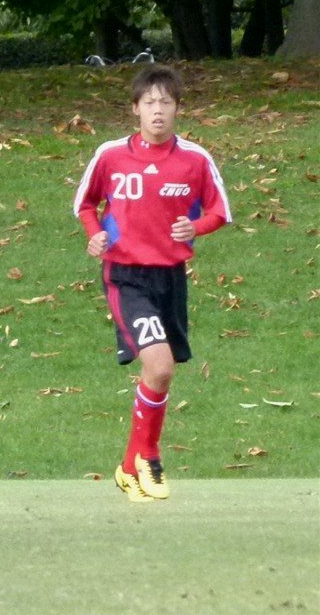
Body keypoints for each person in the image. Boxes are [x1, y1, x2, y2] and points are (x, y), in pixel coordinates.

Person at [72, 64, 230, 502]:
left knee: (161, 375)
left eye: (166, 102)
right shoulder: (111, 155)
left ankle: (128, 466)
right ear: (135, 109)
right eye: (149, 102)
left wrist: (196, 228)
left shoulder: (195, 160)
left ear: (178, 109)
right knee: (157, 365)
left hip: (170, 276)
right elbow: (86, 204)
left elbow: (220, 211)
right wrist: (95, 235)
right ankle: (150, 458)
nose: (157, 110)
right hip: (125, 275)